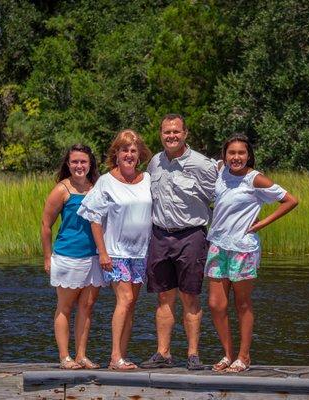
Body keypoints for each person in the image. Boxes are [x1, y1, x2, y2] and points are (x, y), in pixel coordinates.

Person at [206, 134, 298, 373]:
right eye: (231, 153)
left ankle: (243, 356)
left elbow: (290, 200)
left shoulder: (255, 179)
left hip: (243, 249)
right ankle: (227, 354)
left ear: (248, 156)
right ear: (224, 155)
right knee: (216, 304)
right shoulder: (219, 171)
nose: (236, 157)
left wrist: (261, 224)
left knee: (242, 304)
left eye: (241, 153)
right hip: (217, 245)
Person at [141, 114, 217, 370]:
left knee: (190, 296)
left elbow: (219, 198)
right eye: (166, 132)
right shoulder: (155, 163)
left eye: (176, 131)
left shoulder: (203, 165)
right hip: (160, 235)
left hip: (191, 235)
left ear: (185, 133)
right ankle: (163, 353)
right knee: (163, 297)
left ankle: (193, 354)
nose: (171, 136)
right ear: (160, 134)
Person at [77, 129, 152, 371]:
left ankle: (122, 355)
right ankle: (115, 356)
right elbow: (94, 218)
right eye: (124, 151)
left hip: (140, 252)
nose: (129, 155)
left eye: (133, 150)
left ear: (139, 154)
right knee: (125, 298)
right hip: (116, 252)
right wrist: (103, 253)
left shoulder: (147, 179)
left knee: (131, 304)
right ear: (116, 154)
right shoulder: (106, 181)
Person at [41, 144, 105, 370]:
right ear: (68, 164)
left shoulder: (97, 187)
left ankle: (81, 355)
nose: (79, 166)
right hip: (68, 257)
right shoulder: (62, 190)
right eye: (75, 162)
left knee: (87, 307)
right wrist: (48, 257)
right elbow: (46, 225)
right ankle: (64, 357)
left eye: (83, 162)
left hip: (93, 258)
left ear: (90, 164)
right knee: (65, 307)